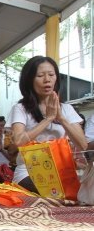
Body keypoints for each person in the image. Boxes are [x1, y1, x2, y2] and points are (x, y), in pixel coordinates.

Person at [7, 56, 87, 193]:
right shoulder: (20, 108)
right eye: (40, 75)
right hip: (29, 172)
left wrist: (61, 119)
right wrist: (48, 119)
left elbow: (83, 145)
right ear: (29, 80)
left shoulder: (67, 109)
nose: (47, 80)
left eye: (51, 74)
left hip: (63, 172)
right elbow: (18, 141)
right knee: (55, 192)